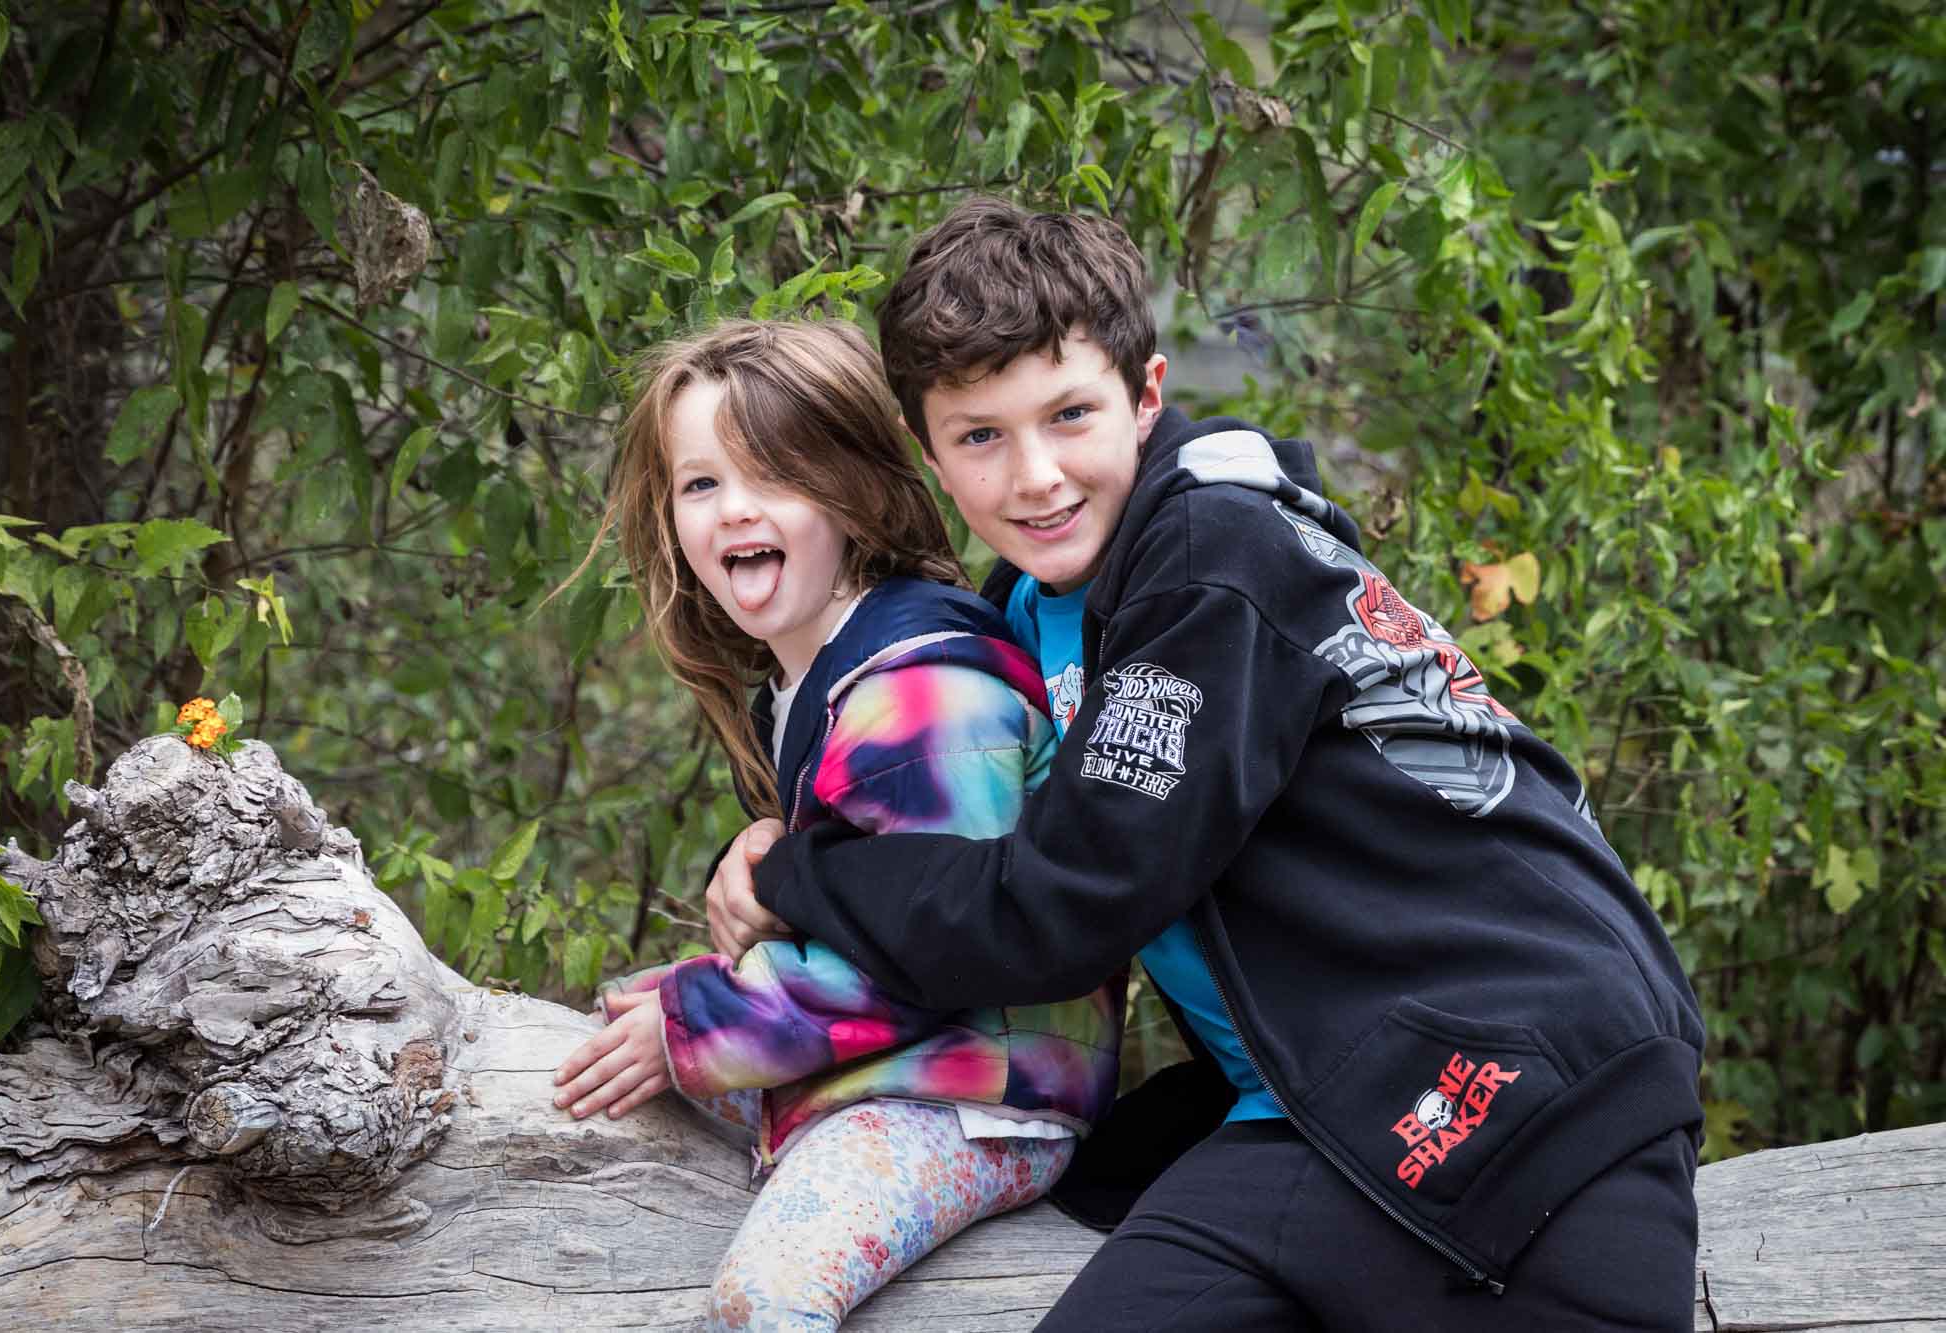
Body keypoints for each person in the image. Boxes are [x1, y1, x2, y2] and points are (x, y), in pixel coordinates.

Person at [705, 200, 1707, 1329]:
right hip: (1312, 1111)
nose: (1034, 476)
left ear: (1146, 395)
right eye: (979, 436)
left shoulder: (1211, 560)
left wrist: (796, 873)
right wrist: (783, 849)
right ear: (924, 447)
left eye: (1069, 414)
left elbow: (1055, 906)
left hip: (1523, 1077)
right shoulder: (1031, 605)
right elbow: (944, 838)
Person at [547, 318, 1123, 1332]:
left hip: (972, 1091)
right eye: (700, 483)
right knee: (602, 1039)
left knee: (766, 1297)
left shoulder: (923, 693)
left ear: (856, 489)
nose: (735, 508)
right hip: (893, 1060)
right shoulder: (811, 676)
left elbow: (930, 954)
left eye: (774, 473)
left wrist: (695, 1023)